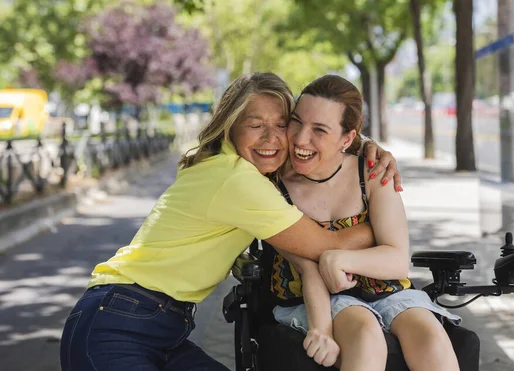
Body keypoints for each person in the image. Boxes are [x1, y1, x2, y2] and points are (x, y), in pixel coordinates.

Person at [59, 72, 401, 371]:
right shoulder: (237, 180)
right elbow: (331, 244)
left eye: (282, 125)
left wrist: (366, 146)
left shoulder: (240, 169)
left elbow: (329, 141)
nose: (271, 138)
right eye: (255, 126)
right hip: (118, 324)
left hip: (159, 326)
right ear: (230, 127)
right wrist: (383, 225)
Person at [269, 75, 462, 371]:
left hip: (388, 291)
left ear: (347, 139)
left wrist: (337, 259)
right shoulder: (273, 184)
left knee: (430, 336)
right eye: (296, 122)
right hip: (313, 298)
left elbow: (397, 260)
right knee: (365, 333)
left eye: (319, 130)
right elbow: (307, 266)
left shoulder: (370, 172)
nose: (300, 138)